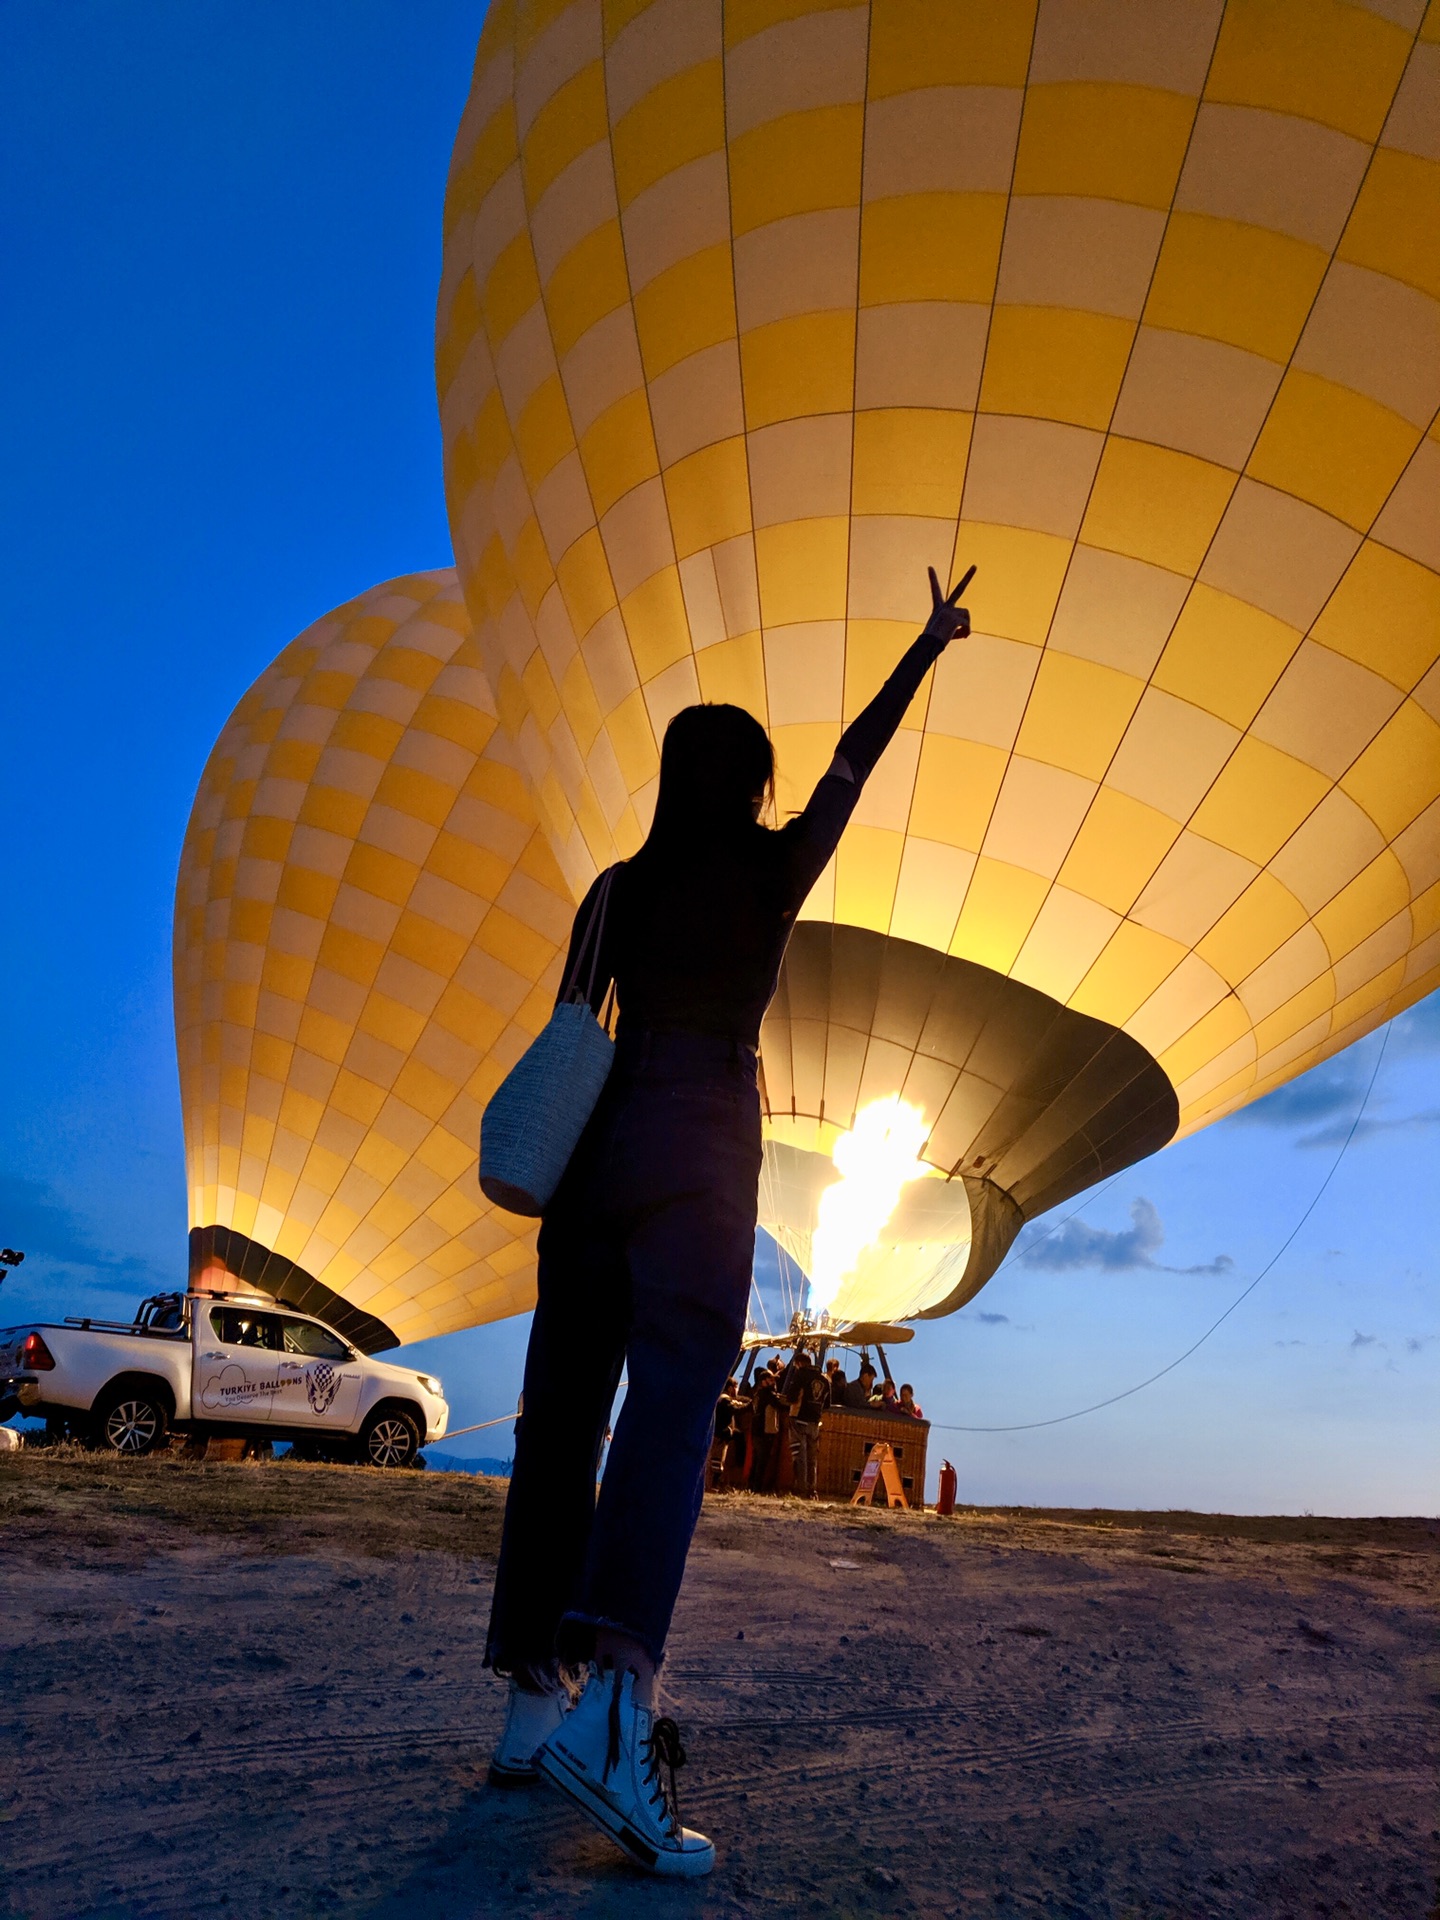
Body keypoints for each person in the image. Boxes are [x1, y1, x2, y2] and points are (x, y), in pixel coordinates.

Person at [482, 568, 972, 1875]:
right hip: (701, 1135)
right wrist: (923, 647)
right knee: (675, 1405)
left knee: (561, 1416)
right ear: (753, 790)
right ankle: (620, 1710)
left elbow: (571, 1030)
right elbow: (853, 772)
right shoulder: (768, 874)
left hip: (593, 1152)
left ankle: (533, 1708)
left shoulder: (613, 890)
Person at [787, 1351, 830, 1498]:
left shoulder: (801, 1375)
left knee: (799, 1455)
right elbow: (828, 1404)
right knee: (812, 1458)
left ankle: (801, 1489)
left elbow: (791, 1396)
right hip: (815, 1421)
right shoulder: (825, 1380)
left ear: (799, 1363)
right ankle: (813, 1490)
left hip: (799, 1418)